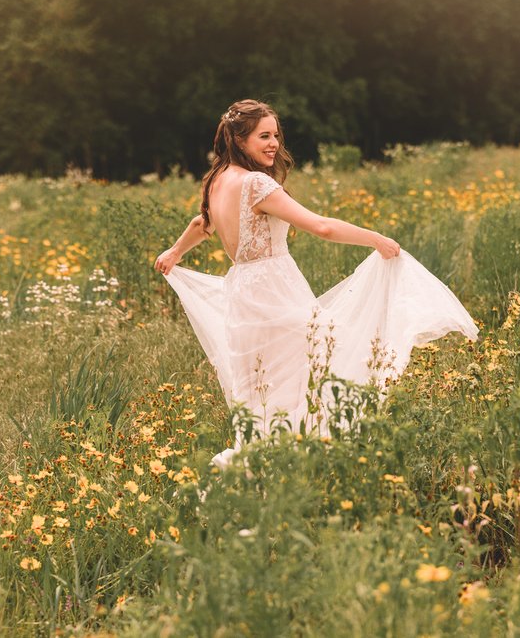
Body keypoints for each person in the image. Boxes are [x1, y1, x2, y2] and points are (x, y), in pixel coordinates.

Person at [156, 99, 478, 468]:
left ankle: (270, 466)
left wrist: (174, 252)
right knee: (318, 369)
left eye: (276, 135)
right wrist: (375, 238)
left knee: (267, 391)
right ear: (238, 138)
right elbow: (321, 226)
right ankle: (297, 465)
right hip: (275, 291)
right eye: (263, 136)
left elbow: (203, 224)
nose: (273, 143)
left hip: (243, 294)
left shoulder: (217, 180)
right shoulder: (256, 184)